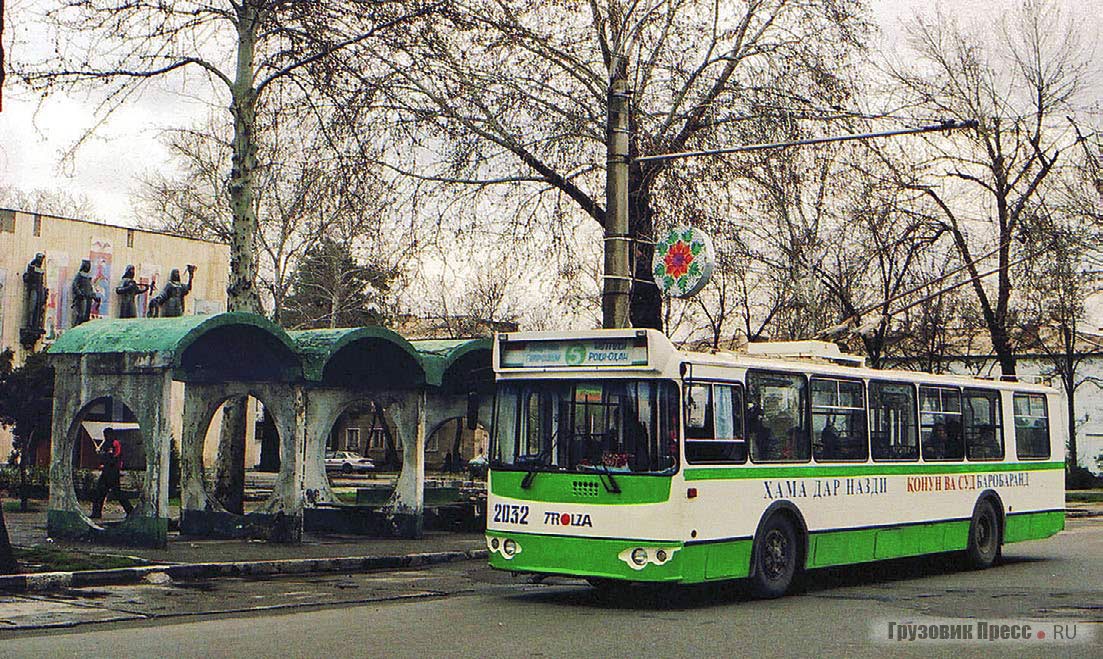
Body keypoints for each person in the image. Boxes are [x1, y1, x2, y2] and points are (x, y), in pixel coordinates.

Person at [91, 428, 133, 519]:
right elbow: (104, 455)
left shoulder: (115, 443)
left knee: (117, 493)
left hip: (113, 471)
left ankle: (130, 511)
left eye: (107, 435)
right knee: (99, 492)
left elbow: (115, 456)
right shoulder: (105, 444)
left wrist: (107, 462)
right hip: (106, 471)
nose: (106, 436)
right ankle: (96, 513)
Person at [70, 259, 99, 326]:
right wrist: (79, 293)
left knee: (86, 316)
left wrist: (94, 296)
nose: (88, 267)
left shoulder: (88, 277)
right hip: (83, 298)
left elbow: (90, 288)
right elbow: (75, 284)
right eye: (87, 265)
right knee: (81, 315)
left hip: (89, 298)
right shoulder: (80, 275)